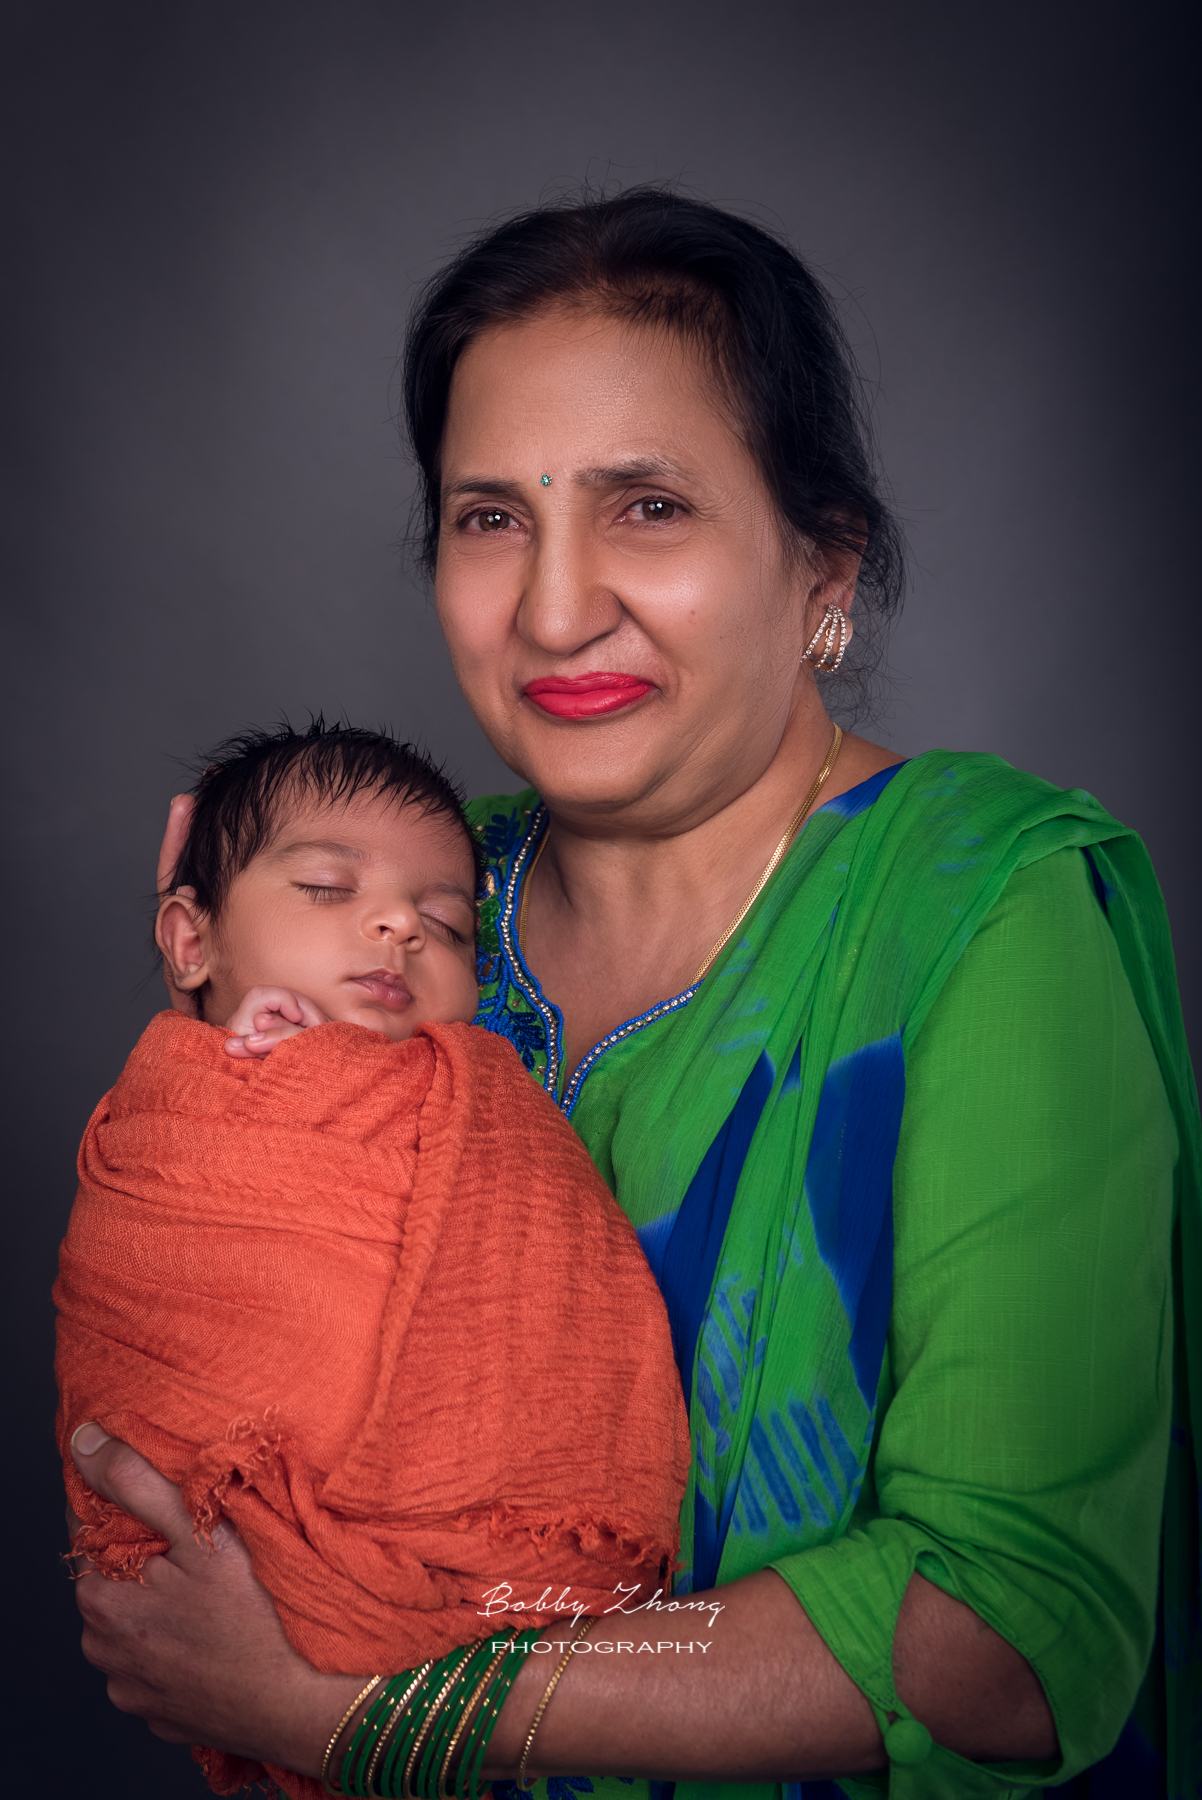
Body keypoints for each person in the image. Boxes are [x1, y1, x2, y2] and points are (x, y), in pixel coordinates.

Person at [68, 189, 1201, 1800]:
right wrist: (219, 967)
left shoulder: (982, 911)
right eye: (489, 517)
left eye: (648, 506)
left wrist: (360, 1709)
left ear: (823, 563)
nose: (551, 609)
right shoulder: (411, 901)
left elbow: (1004, 1637)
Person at [58, 720, 688, 1800]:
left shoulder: (477, 1100)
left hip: (464, 1565)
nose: (399, 925)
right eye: (323, 888)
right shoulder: (178, 1103)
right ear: (188, 941)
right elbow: (182, 1237)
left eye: (445, 926)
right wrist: (241, 1066)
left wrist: (334, 1067)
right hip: (213, 1524)